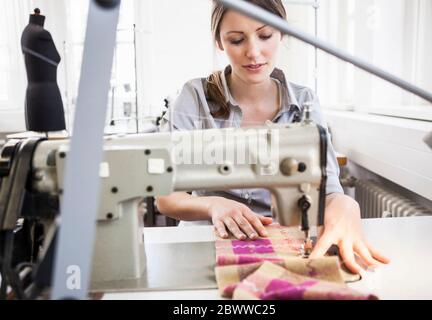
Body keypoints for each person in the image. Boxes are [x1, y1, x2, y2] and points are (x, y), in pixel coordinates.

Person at [156, 0, 390, 274]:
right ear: (220, 42)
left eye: (265, 36)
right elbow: (166, 197)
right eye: (236, 40)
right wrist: (213, 204)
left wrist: (345, 204)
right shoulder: (194, 98)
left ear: (282, 34)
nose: (253, 52)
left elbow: (327, 191)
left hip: (284, 242)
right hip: (205, 241)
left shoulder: (304, 101)